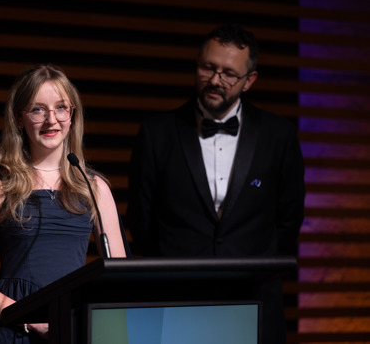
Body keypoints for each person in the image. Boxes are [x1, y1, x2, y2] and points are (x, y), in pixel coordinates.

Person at [127, 24, 305, 343]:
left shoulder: (280, 136)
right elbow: (141, 222)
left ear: (249, 80)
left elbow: (289, 220)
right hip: (175, 300)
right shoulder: (157, 133)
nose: (214, 81)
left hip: (256, 300)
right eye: (208, 67)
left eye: (228, 73)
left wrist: (253, 266)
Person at [0, 64, 127, 343]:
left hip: (73, 326)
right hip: (14, 326)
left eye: (61, 108)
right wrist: (29, 318)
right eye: (37, 109)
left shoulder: (94, 187)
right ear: (20, 119)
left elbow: (120, 278)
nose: (51, 120)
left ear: (72, 116)